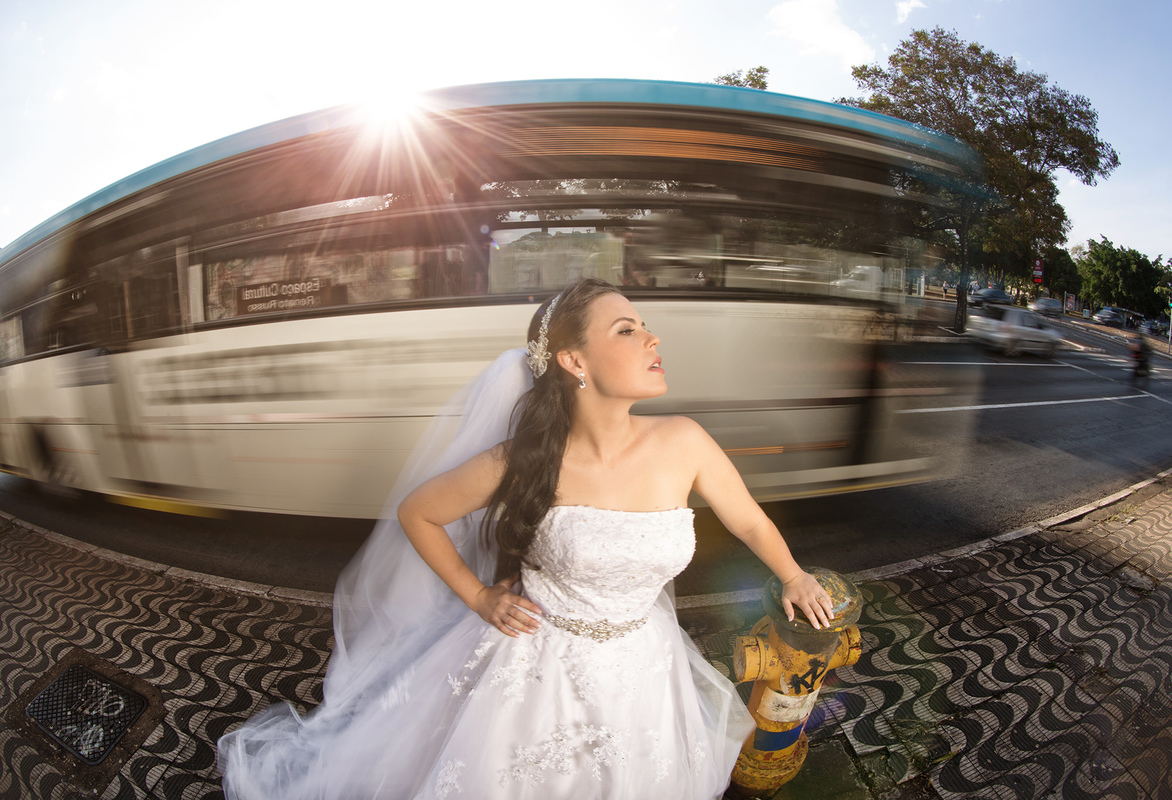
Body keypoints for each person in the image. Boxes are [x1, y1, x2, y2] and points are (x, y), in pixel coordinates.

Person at [218, 278, 834, 799]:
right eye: (625, 329)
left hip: (645, 664)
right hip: (535, 665)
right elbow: (419, 513)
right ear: (574, 361)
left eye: (644, 326)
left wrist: (793, 574)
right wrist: (479, 596)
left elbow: (748, 518)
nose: (653, 338)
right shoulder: (523, 459)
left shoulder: (684, 440)